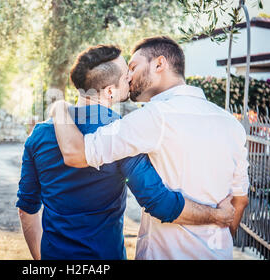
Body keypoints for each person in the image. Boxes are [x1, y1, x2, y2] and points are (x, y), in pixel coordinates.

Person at [17, 44, 235, 260]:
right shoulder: (123, 133)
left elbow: (27, 209)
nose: (131, 78)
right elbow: (159, 202)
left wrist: (41, 258)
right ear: (110, 91)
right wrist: (217, 215)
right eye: (126, 76)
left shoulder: (39, 135)